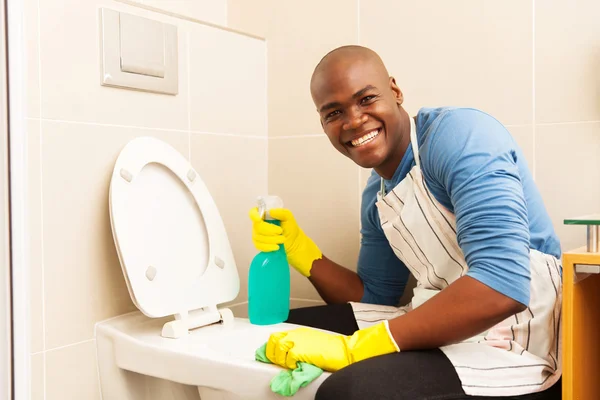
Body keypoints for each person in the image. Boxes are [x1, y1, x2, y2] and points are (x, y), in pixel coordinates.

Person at [249, 45, 562, 400]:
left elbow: (502, 284)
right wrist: (301, 251)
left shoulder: (460, 137)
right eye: (334, 112)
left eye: (366, 99)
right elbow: (374, 297)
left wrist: (356, 349)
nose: (353, 121)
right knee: (279, 334)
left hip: (518, 339)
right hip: (433, 320)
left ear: (395, 92)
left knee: (348, 390)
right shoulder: (377, 194)